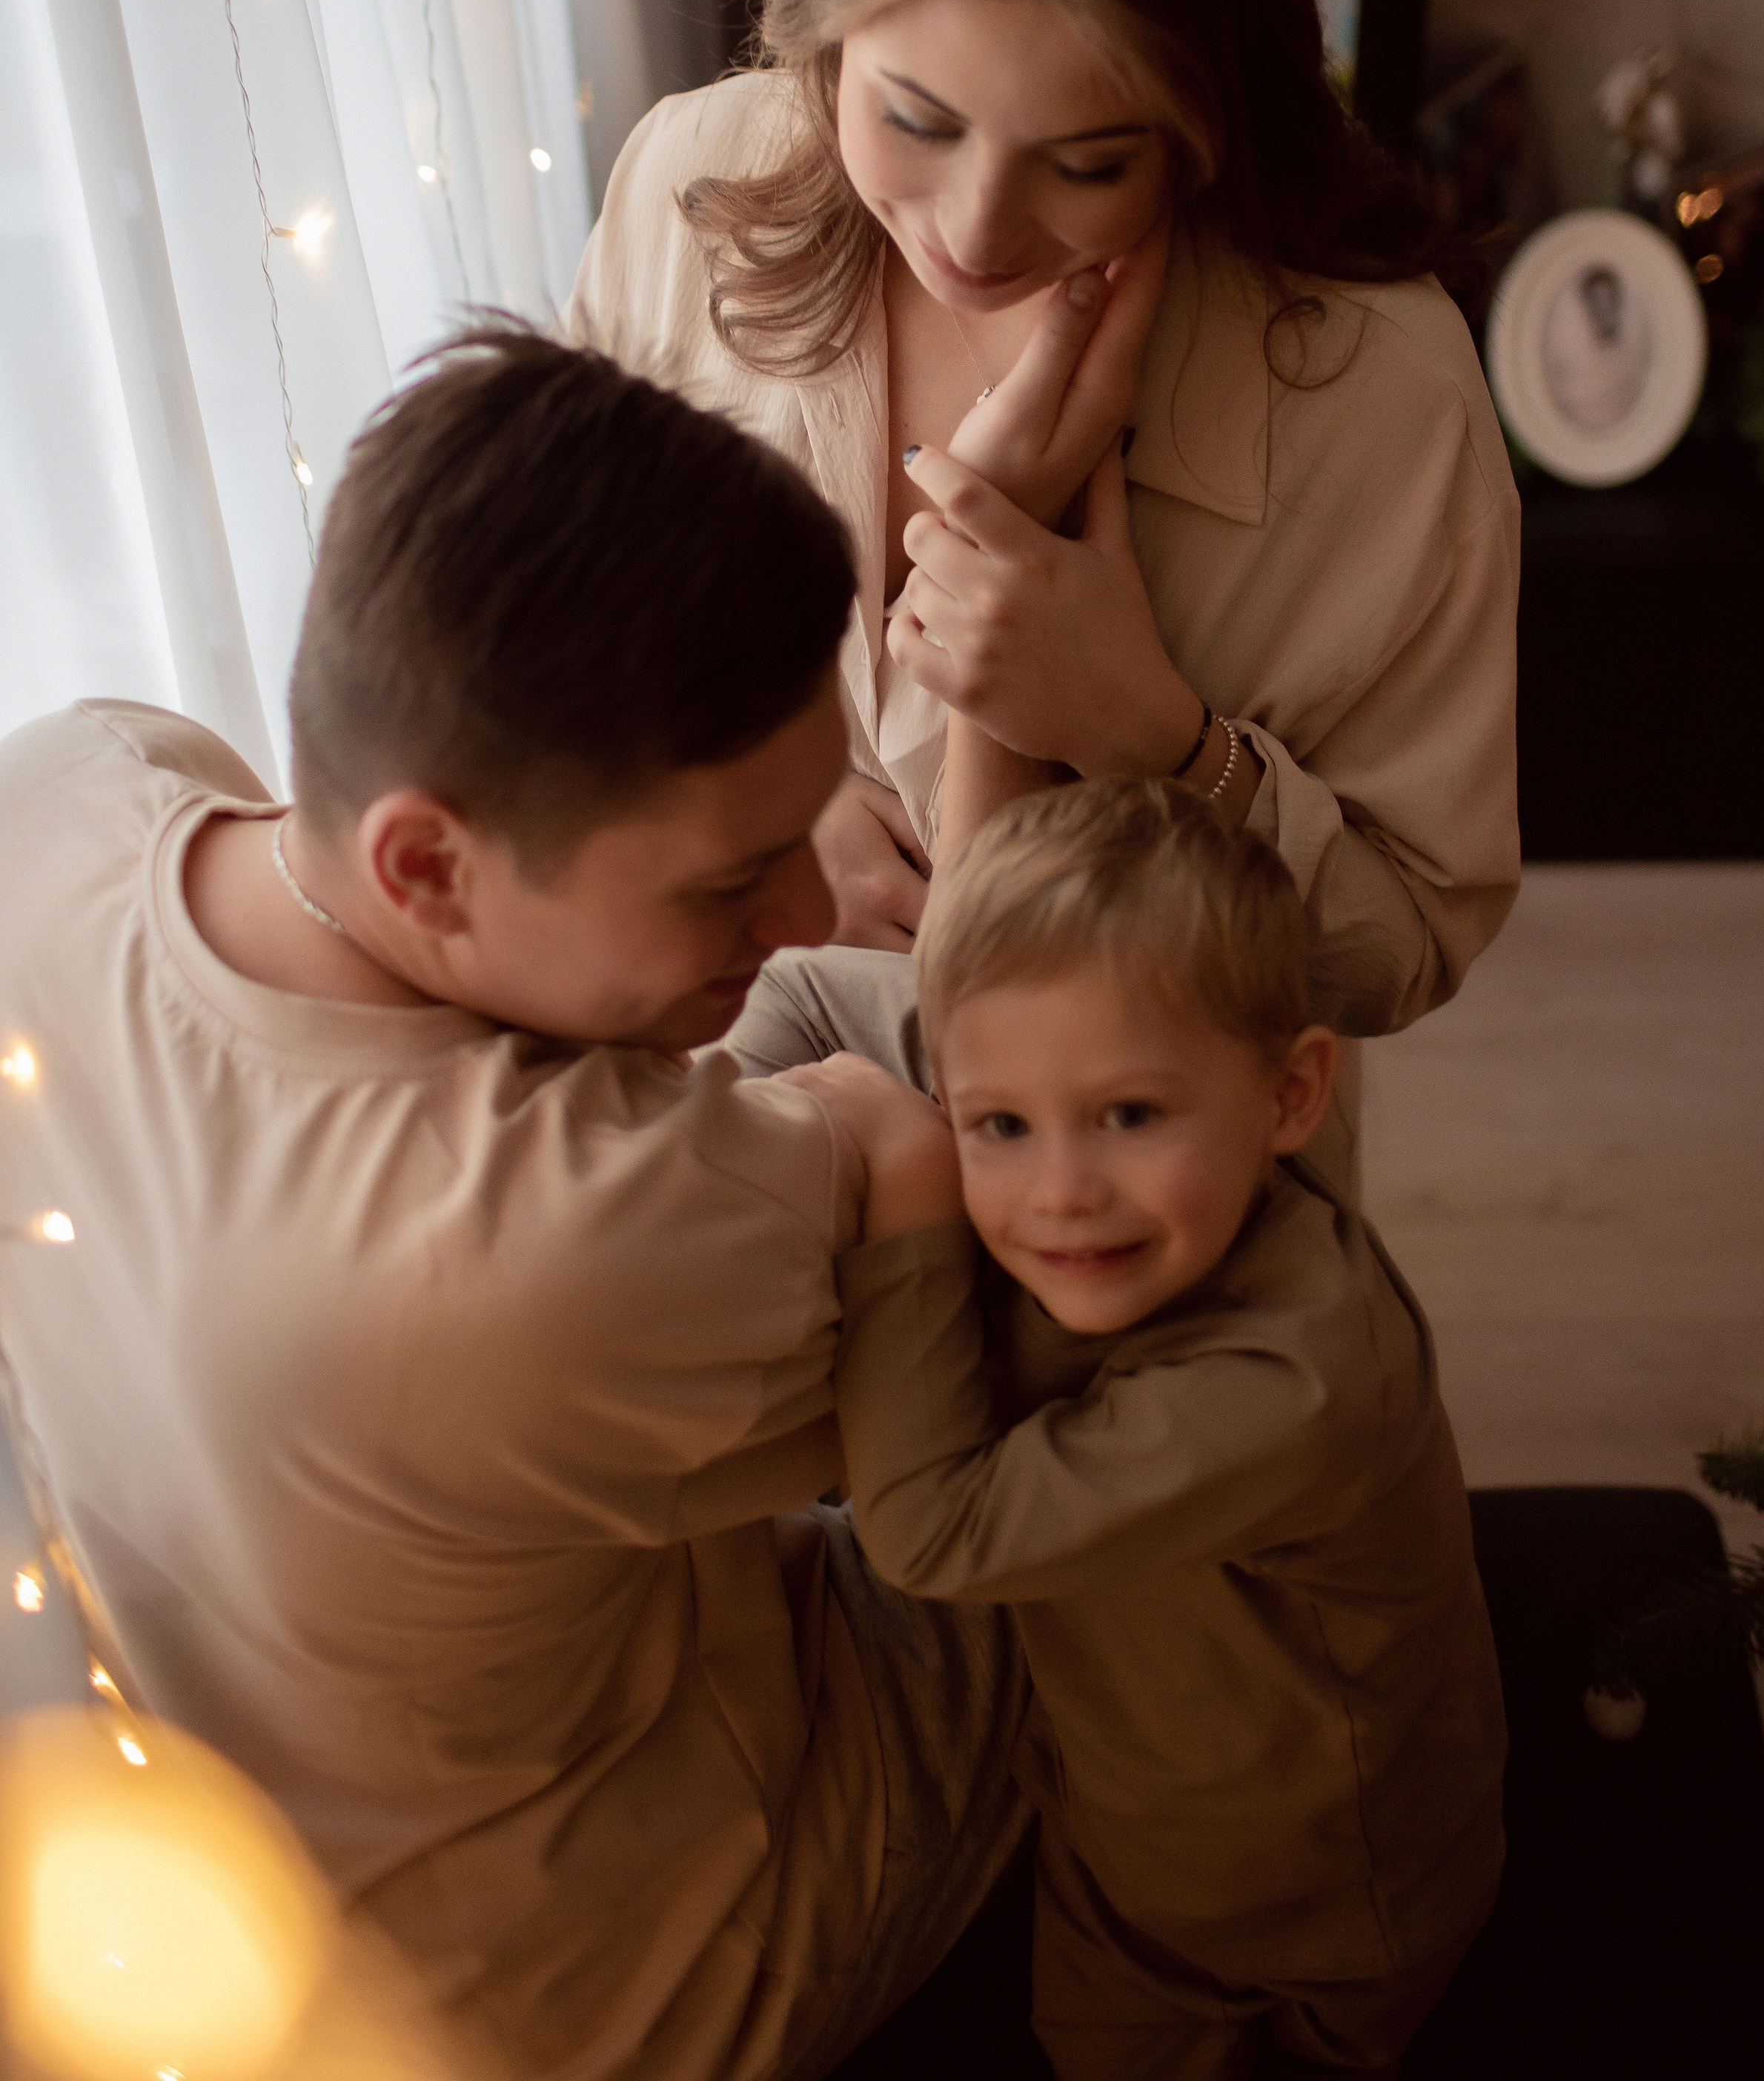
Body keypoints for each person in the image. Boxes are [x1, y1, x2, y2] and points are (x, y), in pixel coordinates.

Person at [0, 326, 1032, 2081]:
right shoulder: (539, 1252)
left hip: (208, 1910)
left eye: (818, 818)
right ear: (423, 862)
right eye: (729, 875)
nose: (807, 900)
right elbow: (915, 1184)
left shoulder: (62, 790)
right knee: (1169, 1361)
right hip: (620, 1992)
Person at [566, 0, 1519, 1191]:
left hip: (1131, 1238)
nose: (971, 227)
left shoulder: (1379, 395)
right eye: (915, 122)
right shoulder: (692, 184)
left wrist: (1155, 741)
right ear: (820, 29)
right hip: (693, 1153)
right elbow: (564, 620)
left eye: (1084, 160)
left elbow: (1404, 944)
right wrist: (764, 799)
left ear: (1212, 115)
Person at [809, 779, 1507, 2081]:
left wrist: (911, 1187)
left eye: (1130, 1117)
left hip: (1329, 1899)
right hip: (1114, 1847)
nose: (1063, 1192)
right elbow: (804, 995)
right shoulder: (1068, 1113)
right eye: (999, 1127)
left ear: (1294, 1093)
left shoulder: (1299, 1380)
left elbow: (930, 1531)